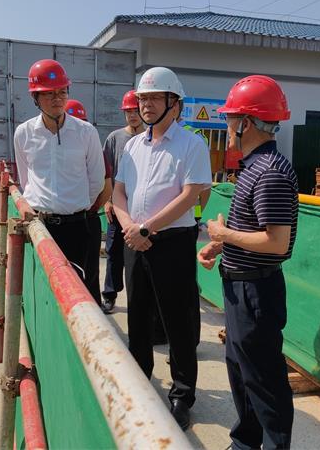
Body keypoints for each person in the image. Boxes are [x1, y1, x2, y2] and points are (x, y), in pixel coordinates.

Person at [197, 75, 298, 450]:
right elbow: (255, 229)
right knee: (242, 371)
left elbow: (276, 242)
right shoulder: (255, 166)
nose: (226, 126)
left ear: (247, 123)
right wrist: (220, 246)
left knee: (264, 380)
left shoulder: (269, 172)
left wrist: (224, 235)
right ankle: (245, 443)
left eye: (230, 118)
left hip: (255, 290)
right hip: (243, 285)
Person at [112, 67, 211, 430]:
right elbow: (118, 191)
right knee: (137, 317)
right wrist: (129, 227)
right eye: (143, 98)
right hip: (134, 241)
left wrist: (146, 228)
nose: (146, 105)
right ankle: (140, 384)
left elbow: (190, 195)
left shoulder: (191, 144)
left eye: (154, 98)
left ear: (174, 103)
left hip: (172, 243)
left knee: (177, 322)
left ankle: (182, 395)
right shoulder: (133, 146)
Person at [14, 59, 105, 274]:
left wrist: (73, 205)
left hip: (76, 227)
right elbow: (26, 178)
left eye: (62, 92)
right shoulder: (24, 133)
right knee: (44, 284)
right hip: (40, 227)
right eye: (49, 93)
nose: (57, 99)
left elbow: (97, 179)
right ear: (35, 97)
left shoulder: (86, 132)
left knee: (76, 283)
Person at [64, 99, 112, 306]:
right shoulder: (58, 151)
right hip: (66, 220)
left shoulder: (94, 150)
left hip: (87, 220)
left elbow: (106, 186)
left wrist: (90, 208)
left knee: (88, 272)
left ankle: (92, 314)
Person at [100, 90, 143, 314]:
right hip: (118, 207)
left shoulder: (151, 139)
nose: (132, 115)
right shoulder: (114, 139)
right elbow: (105, 172)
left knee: (140, 256)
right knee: (114, 253)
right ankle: (109, 294)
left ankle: (141, 300)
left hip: (142, 209)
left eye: (135, 110)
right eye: (128, 111)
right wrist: (107, 200)